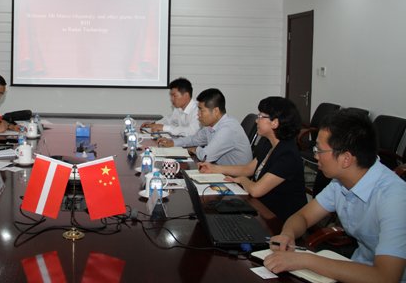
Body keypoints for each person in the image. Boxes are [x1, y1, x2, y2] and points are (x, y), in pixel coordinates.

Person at [264, 109, 406, 283]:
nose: (315, 156)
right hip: (356, 268)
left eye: (319, 150)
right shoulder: (340, 183)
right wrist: (288, 234)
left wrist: (306, 260)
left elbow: (386, 277)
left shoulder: (394, 199)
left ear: (346, 159)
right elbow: (303, 216)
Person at [198, 97, 306, 220]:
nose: (256, 120)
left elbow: (256, 190)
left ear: (275, 123)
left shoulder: (287, 154)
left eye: (261, 116)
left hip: (280, 219)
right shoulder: (271, 143)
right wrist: (214, 168)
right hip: (263, 208)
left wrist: (242, 179)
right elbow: (249, 169)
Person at [156, 88, 252, 165]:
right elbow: (194, 139)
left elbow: (206, 156)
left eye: (201, 110)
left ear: (216, 111)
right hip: (219, 171)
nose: (198, 114)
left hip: (235, 179)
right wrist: (173, 143)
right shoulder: (211, 126)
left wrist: (195, 149)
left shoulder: (227, 129)